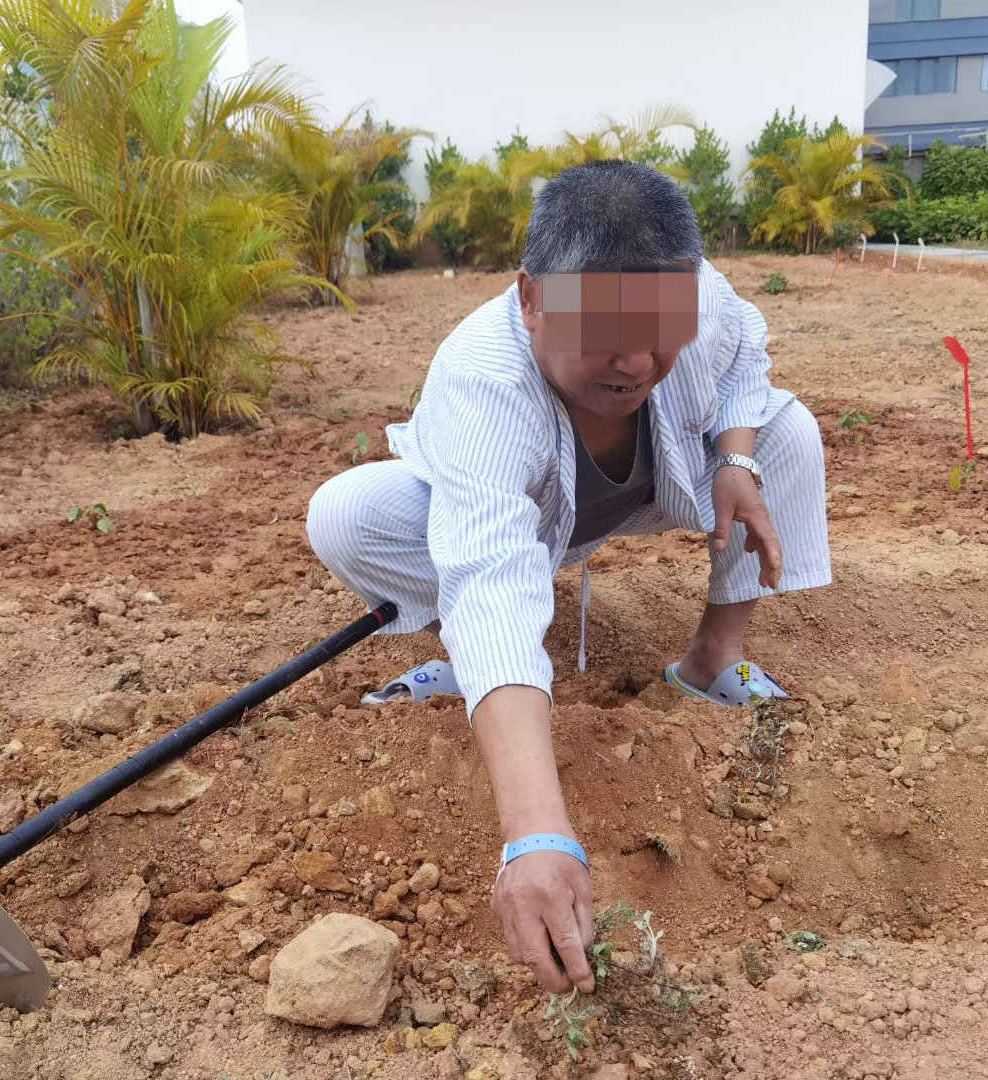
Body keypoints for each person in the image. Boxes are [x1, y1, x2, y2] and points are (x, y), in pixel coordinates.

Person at [305, 159, 831, 996]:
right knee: (348, 513)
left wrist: (733, 458)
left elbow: (744, 362)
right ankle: (464, 664)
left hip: (659, 486)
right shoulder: (480, 379)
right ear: (530, 297)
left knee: (790, 434)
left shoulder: (700, 296)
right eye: (604, 334)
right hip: (526, 511)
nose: (637, 362)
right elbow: (486, 573)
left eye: (661, 332)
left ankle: (710, 663)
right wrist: (536, 837)